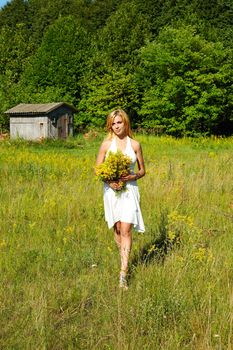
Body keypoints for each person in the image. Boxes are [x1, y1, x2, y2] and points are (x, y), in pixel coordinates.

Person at [96, 109, 145, 290]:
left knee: (126, 229)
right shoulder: (106, 144)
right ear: (110, 126)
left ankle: (123, 273)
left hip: (130, 190)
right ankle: (122, 256)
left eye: (119, 122)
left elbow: (142, 170)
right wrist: (110, 181)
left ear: (126, 123)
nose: (117, 126)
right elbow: (98, 169)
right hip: (111, 190)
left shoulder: (135, 145)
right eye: (113, 123)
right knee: (117, 229)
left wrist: (133, 177)